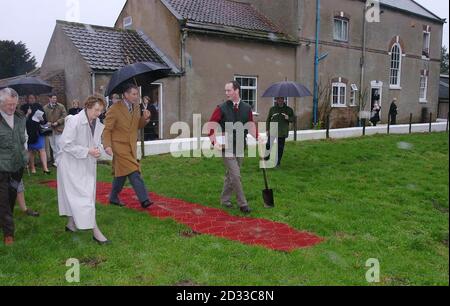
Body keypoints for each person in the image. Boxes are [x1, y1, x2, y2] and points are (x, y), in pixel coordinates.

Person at [57, 95, 110, 244]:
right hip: (70, 165)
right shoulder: (74, 121)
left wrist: (98, 149)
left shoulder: (97, 122)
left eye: (100, 110)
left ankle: (71, 223)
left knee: (80, 196)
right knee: (84, 198)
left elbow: (96, 142)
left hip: (85, 165)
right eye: (96, 110)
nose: (98, 113)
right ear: (88, 107)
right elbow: (64, 144)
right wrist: (87, 151)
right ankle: (96, 232)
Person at [208, 81, 259, 214]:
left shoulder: (247, 108)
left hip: (241, 146)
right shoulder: (221, 107)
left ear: (236, 91)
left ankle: (225, 200)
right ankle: (243, 204)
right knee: (236, 175)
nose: (226, 93)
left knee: (231, 175)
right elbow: (211, 125)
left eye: (229, 90)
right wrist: (215, 142)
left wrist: (259, 137)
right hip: (227, 147)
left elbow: (250, 125)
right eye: (225, 91)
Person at [103, 84, 153, 209]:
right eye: (134, 94)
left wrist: (145, 118)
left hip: (131, 146)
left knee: (122, 173)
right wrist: (107, 145)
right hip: (118, 146)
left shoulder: (136, 107)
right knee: (134, 170)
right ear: (126, 94)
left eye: (137, 94)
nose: (137, 97)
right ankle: (144, 199)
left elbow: (137, 126)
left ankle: (113, 197)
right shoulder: (114, 109)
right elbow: (107, 129)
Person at [0, 88, 28, 246]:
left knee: (10, 198)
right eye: (9, 104)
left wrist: (24, 156)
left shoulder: (20, 117)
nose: (12, 108)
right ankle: (8, 233)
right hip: (1, 167)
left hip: (17, 166)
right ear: (1, 102)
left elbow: (22, 139)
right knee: (3, 200)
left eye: (14, 104)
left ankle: (3, 221)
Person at [24, 94, 50, 174]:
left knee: (42, 149)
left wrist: (41, 119)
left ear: (35, 98)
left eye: (33, 98)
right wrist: (28, 114)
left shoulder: (39, 106)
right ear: (27, 99)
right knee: (31, 150)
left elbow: (44, 120)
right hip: (29, 132)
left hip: (38, 131)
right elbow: (22, 121)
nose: (31, 99)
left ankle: (45, 168)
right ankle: (33, 168)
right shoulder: (24, 107)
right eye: (30, 98)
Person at [265, 97, 294, 168]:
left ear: (283, 99)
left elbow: (293, 119)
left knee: (280, 148)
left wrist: (288, 118)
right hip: (273, 129)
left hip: (282, 131)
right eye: (278, 99)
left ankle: (277, 163)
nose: (280, 100)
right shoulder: (272, 109)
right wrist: (267, 129)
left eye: (281, 98)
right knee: (268, 144)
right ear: (276, 100)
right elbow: (268, 119)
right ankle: (267, 157)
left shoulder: (288, 109)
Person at [43, 94, 67, 166]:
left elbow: (64, 115)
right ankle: (56, 161)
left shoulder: (61, 106)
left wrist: (58, 122)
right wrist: (47, 122)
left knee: (59, 144)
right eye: (53, 98)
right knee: (53, 145)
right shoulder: (45, 108)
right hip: (50, 129)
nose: (54, 100)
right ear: (49, 99)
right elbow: (43, 117)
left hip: (59, 129)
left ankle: (61, 161)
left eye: (55, 98)